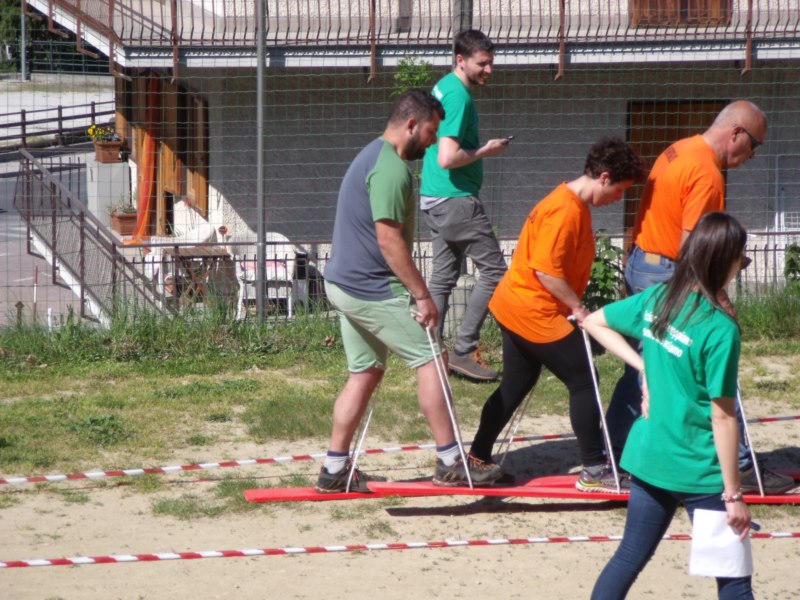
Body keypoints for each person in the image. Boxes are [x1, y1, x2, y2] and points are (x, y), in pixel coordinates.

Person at [317, 89, 502, 493]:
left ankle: (333, 471)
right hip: (369, 287)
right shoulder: (391, 169)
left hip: (343, 285)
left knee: (364, 373)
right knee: (433, 360)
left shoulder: (373, 155)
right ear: (412, 124)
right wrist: (422, 294)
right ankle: (451, 462)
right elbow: (389, 241)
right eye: (433, 131)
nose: (435, 141)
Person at [605, 100, 794, 494]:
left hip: (644, 262)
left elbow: (648, 214)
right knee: (709, 361)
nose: (753, 156)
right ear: (736, 133)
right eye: (754, 145)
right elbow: (696, 248)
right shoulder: (707, 174)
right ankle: (739, 466)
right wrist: (716, 298)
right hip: (671, 272)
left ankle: (615, 448)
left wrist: (636, 264)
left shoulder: (678, 150)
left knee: (643, 362)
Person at [586, 212, 754, 600]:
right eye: (740, 259)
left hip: (651, 458)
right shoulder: (720, 329)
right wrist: (733, 493)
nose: (740, 266)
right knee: (734, 582)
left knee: (627, 559)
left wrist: (643, 366)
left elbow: (594, 321)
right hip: (699, 468)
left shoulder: (660, 298)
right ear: (722, 261)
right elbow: (724, 416)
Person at [467, 138, 645, 490]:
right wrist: (578, 309)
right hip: (534, 311)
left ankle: (477, 457)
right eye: (620, 190)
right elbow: (547, 272)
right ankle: (594, 470)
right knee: (585, 382)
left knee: (516, 385)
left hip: (515, 305)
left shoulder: (571, 203)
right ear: (604, 177)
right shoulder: (564, 210)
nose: (618, 199)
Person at [420, 29, 511, 382]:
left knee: (442, 278)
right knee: (494, 273)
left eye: (491, 63)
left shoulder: (443, 86)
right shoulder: (458, 97)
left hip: (434, 198)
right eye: (482, 63)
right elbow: (447, 157)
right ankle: (461, 351)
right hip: (456, 200)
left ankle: (431, 354)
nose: (489, 70)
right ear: (461, 60)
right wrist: (486, 150)